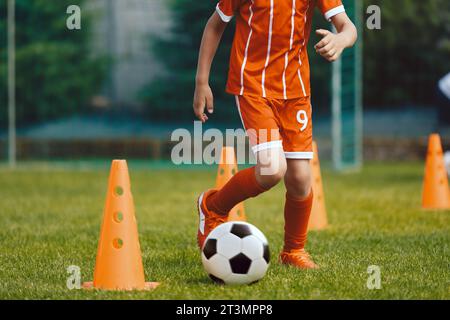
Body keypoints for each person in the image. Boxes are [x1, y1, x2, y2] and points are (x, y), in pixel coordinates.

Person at [193, 0, 357, 269]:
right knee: (271, 169)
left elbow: (348, 28)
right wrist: (202, 82)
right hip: (253, 88)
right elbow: (215, 25)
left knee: (301, 179)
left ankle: (293, 250)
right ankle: (213, 206)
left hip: (296, 92)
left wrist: (341, 40)